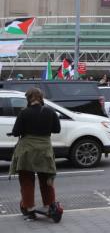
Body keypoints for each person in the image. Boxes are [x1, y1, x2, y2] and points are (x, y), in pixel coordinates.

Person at [10, 88, 61, 221]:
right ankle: (50, 205)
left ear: (28, 98)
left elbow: (16, 132)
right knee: (46, 180)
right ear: (41, 97)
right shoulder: (50, 112)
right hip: (44, 150)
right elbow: (57, 129)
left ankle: (30, 210)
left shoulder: (24, 113)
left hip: (27, 151)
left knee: (26, 180)